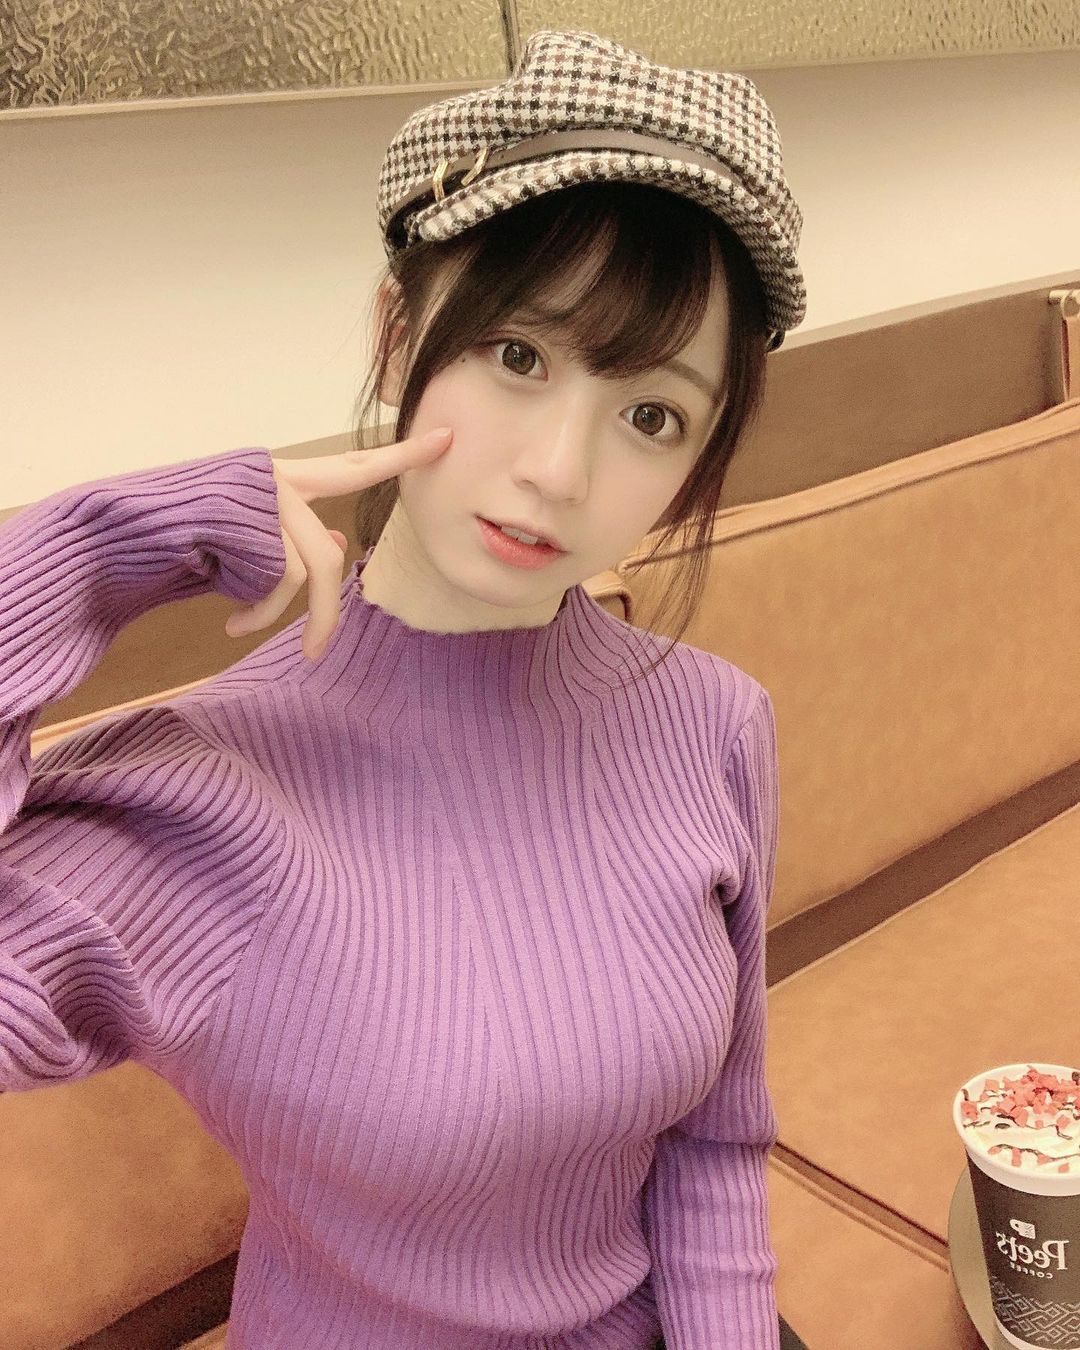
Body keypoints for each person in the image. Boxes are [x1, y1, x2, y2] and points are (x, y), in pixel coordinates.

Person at [0, 28, 811, 1350]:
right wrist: (107, 547)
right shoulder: (197, 796)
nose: (559, 469)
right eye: (519, 356)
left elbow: (715, 1143)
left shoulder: (713, 721)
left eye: (651, 414)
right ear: (398, 335)